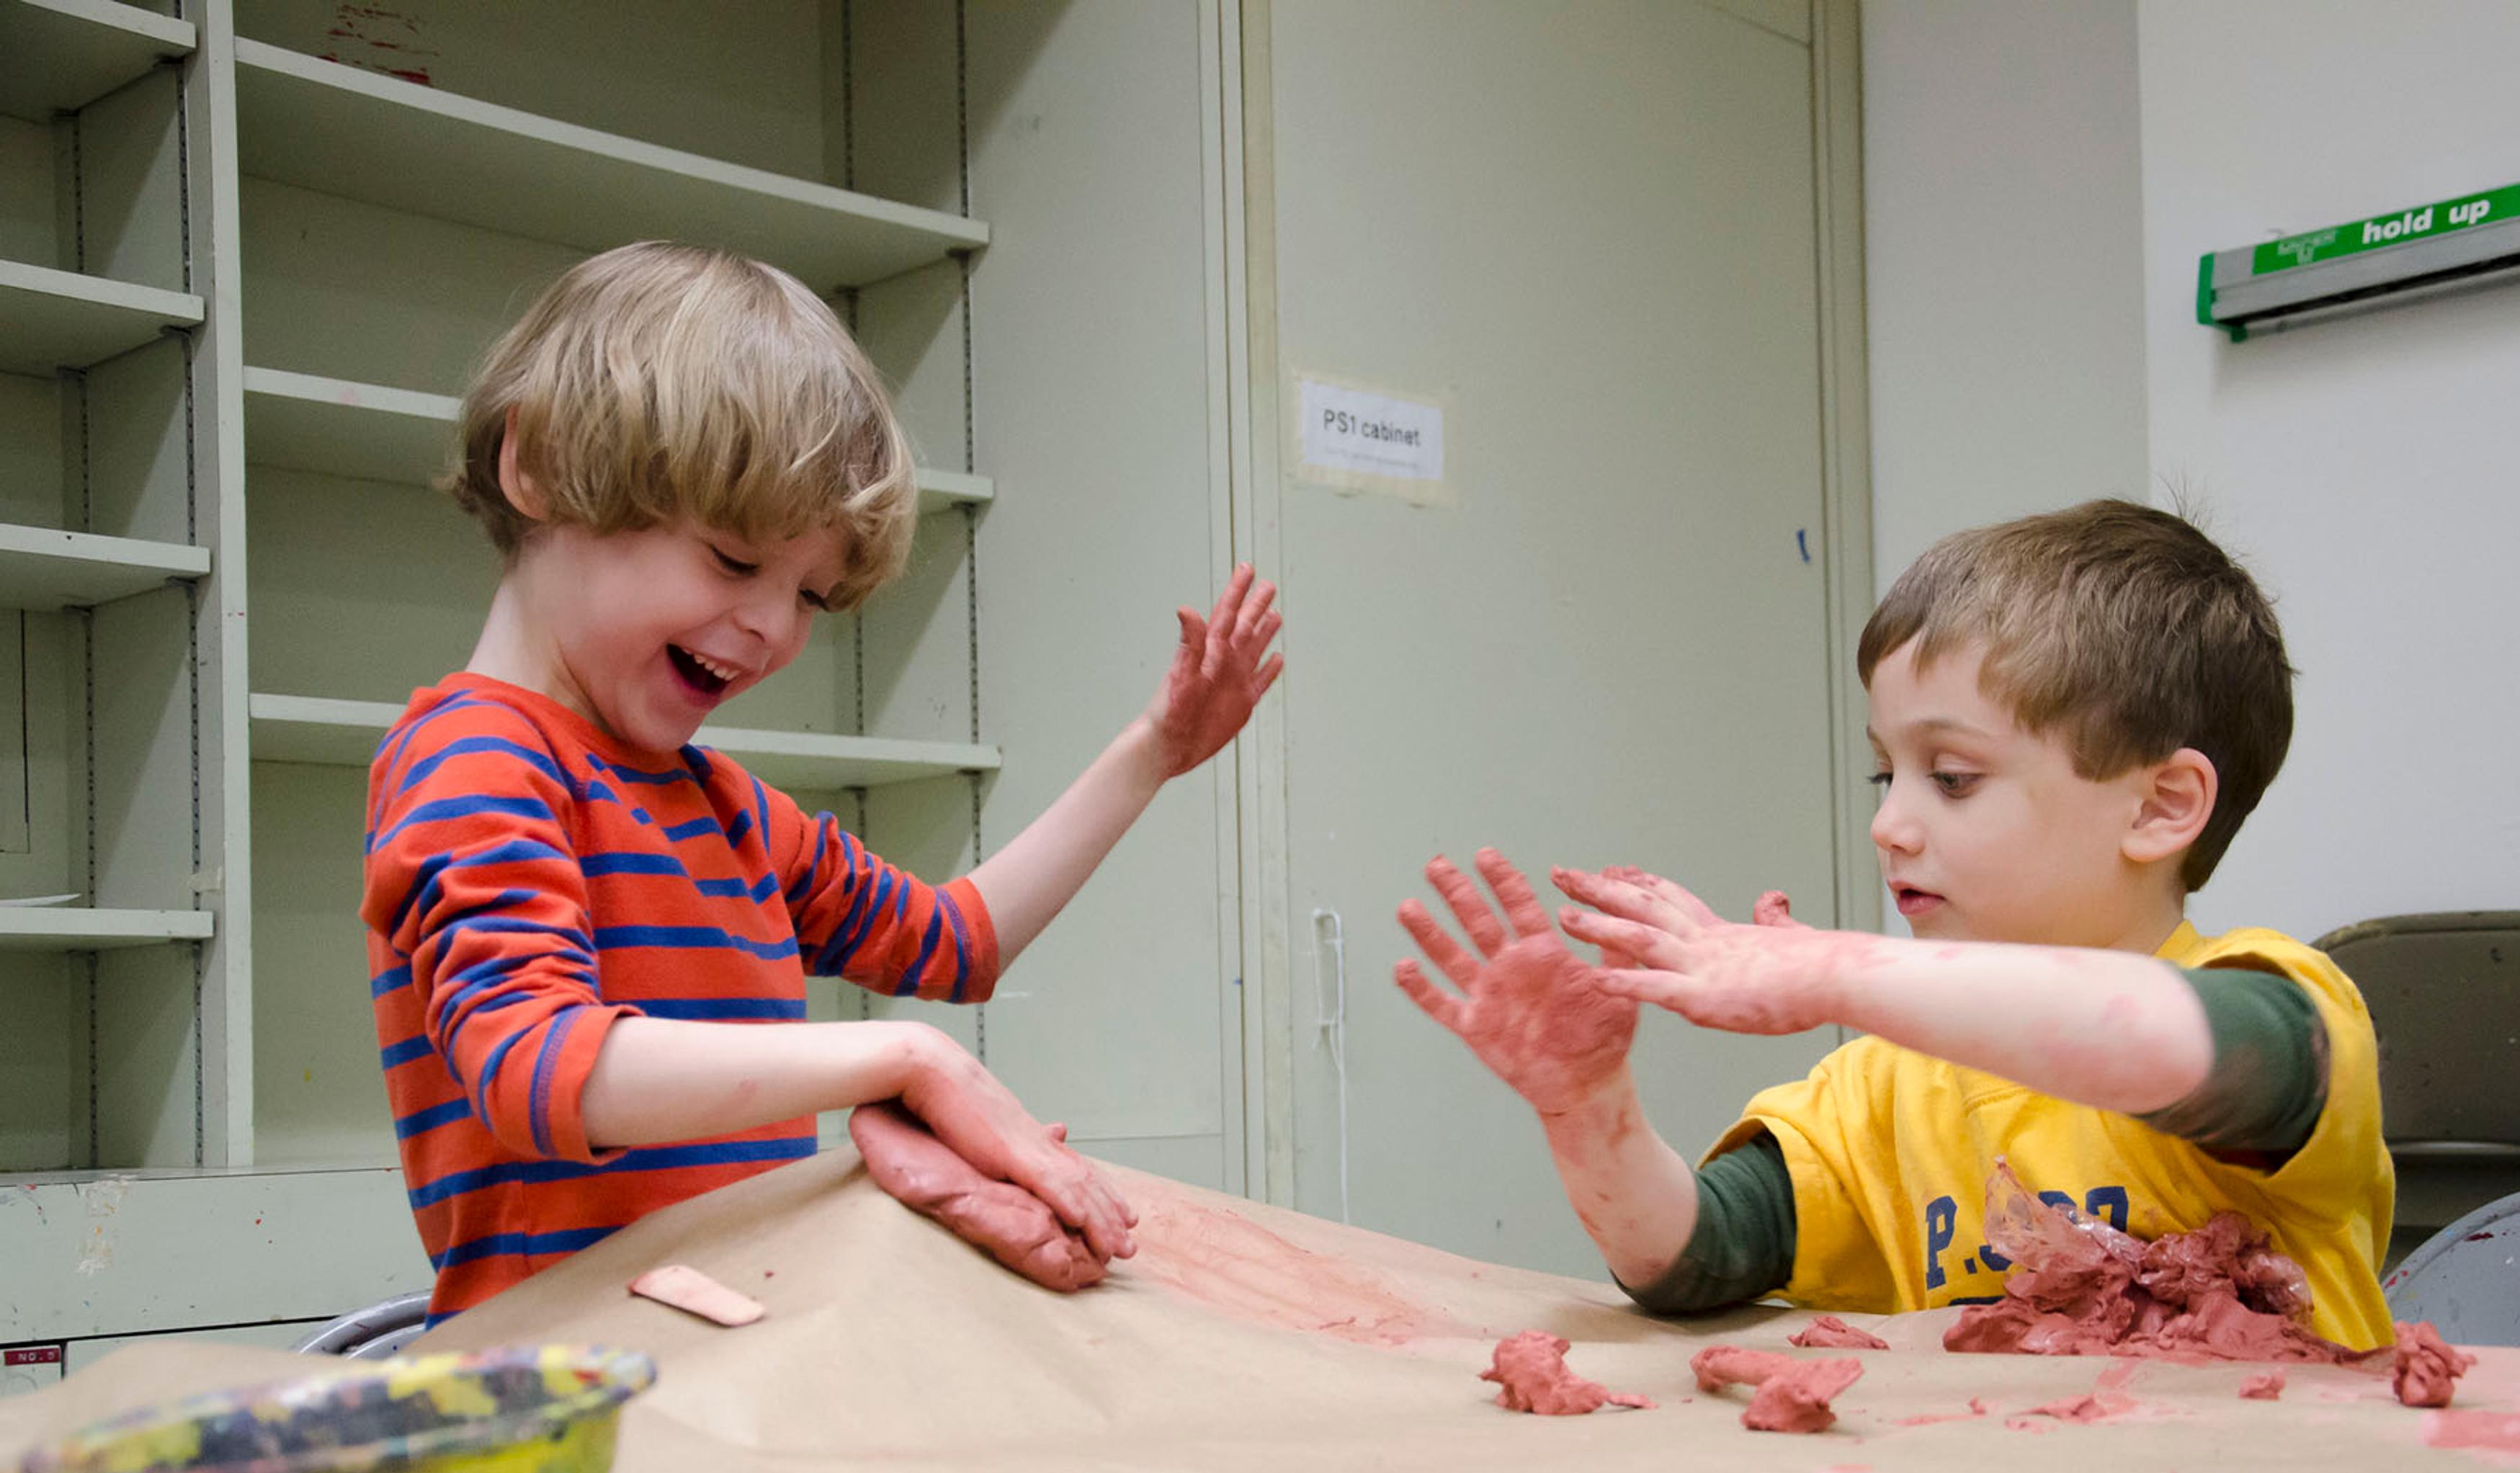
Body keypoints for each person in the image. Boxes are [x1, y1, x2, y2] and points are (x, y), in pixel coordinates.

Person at [363, 241, 1281, 1322]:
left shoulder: (724, 808)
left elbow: (952, 943)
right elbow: (537, 1064)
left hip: (737, 1355)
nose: (770, 628)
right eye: (735, 560)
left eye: (812, 596)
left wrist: (1152, 755)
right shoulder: (474, 759)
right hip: (572, 1384)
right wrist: (902, 1061)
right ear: (543, 466)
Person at [1393, 500, 2392, 1348]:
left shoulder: (2281, 1005)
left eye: (1952, 778)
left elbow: (2158, 1042)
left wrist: (1834, 969)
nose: (1888, 824)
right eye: (1886, 773)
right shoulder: (1879, 1092)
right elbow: (1687, 1257)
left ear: (2160, 806)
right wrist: (1587, 1106)